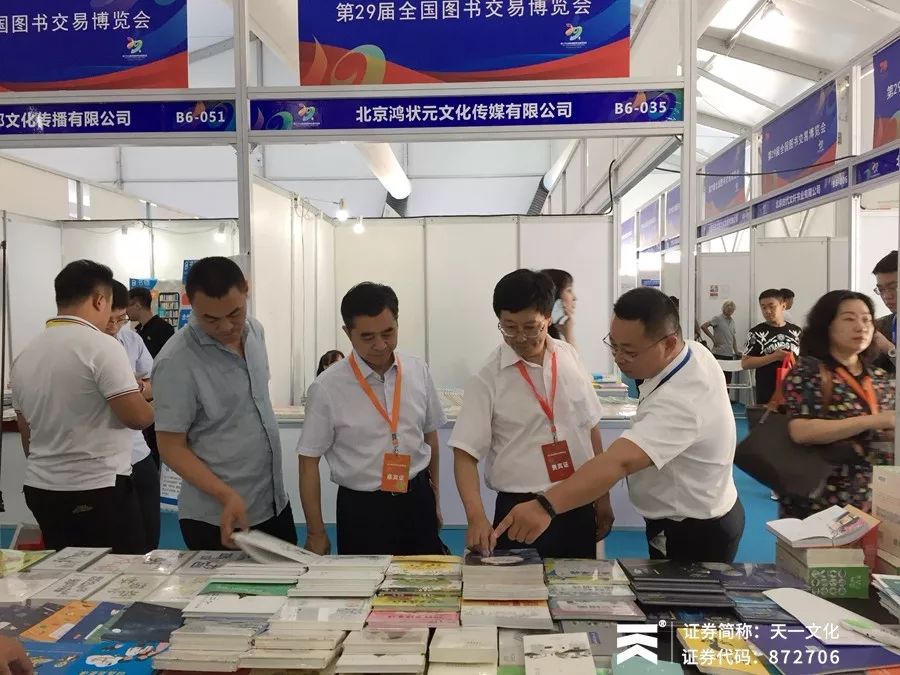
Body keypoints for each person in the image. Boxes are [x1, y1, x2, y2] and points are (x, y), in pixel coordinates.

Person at [492, 287, 743, 563]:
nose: (618, 358)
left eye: (630, 351)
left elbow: (618, 462)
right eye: (614, 345)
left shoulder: (683, 401)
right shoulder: (692, 351)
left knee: (682, 590)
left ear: (669, 344)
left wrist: (545, 506)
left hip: (694, 528)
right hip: (684, 511)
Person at [450, 269, 610, 559]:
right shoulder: (488, 377)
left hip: (577, 502)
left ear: (548, 317)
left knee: (577, 583)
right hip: (519, 510)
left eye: (531, 327)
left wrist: (602, 497)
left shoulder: (569, 356)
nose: (520, 337)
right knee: (519, 587)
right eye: (509, 327)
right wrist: (476, 516)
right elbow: (465, 454)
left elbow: (591, 427)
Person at [11, 260, 154, 553]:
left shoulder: (26, 354)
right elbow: (138, 418)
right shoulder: (102, 346)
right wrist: (160, 401)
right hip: (97, 487)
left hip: (42, 488)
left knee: (65, 570)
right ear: (100, 301)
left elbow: (27, 435)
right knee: (120, 571)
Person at [152, 257, 294, 550]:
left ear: (246, 290)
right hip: (217, 517)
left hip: (272, 503)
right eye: (211, 319)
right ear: (191, 303)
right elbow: (171, 447)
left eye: (234, 313)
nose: (227, 326)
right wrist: (225, 495)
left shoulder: (254, 332)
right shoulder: (176, 361)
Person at [298, 283, 446, 556]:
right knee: (364, 581)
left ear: (397, 323)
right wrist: (315, 532)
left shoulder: (417, 370)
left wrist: (435, 497)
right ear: (348, 332)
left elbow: (430, 437)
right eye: (367, 337)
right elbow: (308, 462)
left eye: (388, 333)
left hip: (417, 498)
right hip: (363, 509)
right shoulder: (327, 387)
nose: (380, 345)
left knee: (425, 578)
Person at [780, 290, 895, 519]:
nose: (861, 327)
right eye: (849, 319)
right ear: (826, 325)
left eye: (867, 320)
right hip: (820, 502)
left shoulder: (880, 377)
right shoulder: (810, 372)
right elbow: (801, 431)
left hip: (874, 500)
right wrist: (872, 421)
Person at [104, 280, 160, 553]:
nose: (115, 326)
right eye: (110, 319)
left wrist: (137, 388)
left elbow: (154, 382)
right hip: (104, 461)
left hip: (137, 450)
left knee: (150, 532)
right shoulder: (90, 347)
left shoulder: (131, 339)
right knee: (119, 541)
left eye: (121, 319)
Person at [128, 286, 175, 469]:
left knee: (158, 445)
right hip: (140, 398)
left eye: (127, 306)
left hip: (160, 396)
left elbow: (168, 366)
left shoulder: (163, 330)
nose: (125, 312)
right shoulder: (136, 332)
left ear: (137, 304)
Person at [742, 289, 802, 405]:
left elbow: (804, 358)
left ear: (783, 306)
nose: (767, 311)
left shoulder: (797, 332)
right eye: (763, 307)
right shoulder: (756, 333)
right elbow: (745, 363)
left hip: (793, 391)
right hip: (767, 392)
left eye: (772, 306)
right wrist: (774, 357)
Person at [127, 287, 175, 358]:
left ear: (137, 306)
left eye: (127, 306)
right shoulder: (139, 330)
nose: (125, 310)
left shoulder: (164, 329)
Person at [701, 301, 739, 383]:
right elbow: (704, 326)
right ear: (724, 308)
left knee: (727, 381)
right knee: (716, 380)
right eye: (728, 309)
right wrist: (713, 338)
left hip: (729, 355)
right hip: (718, 354)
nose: (730, 311)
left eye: (732, 310)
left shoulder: (732, 322)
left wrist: (736, 351)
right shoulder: (717, 318)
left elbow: (733, 337)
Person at [873, 250, 897, 372]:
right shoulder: (877, 327)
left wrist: (889, 349)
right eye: (881, 290)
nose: (886, 296)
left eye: (893, 287)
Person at [542, 269, 577, 348]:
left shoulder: (556, 334)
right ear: (555, 295)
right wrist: (569, 336)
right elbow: (573, 357)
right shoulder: (541, 340)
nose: (574, 298)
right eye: (569, 290)